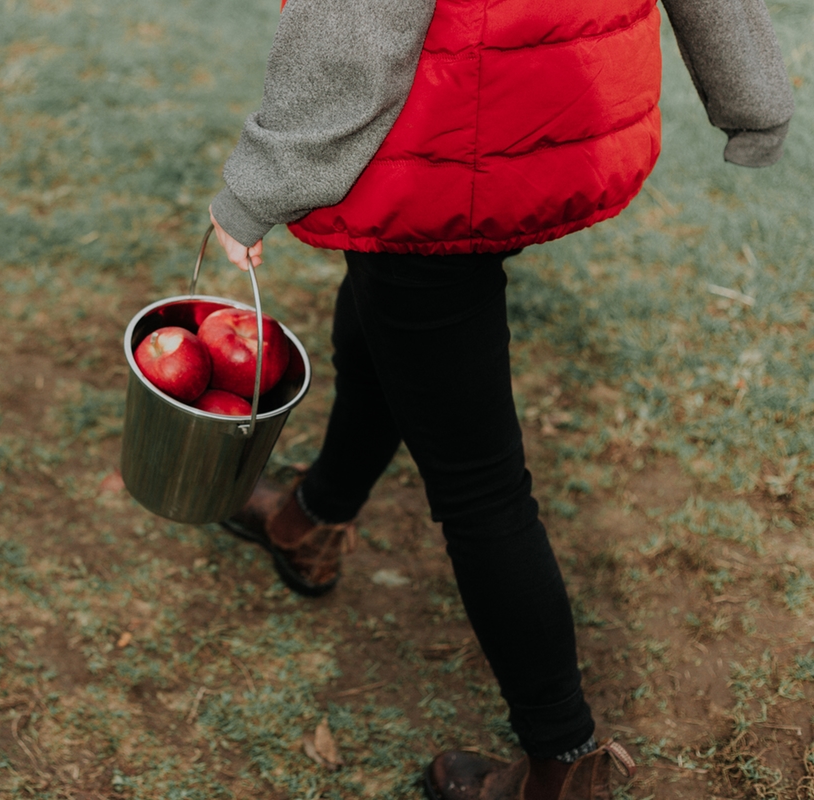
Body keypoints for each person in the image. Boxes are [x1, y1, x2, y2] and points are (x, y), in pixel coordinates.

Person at [206, 0, 794, 797]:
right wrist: (753, 91)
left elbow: (360, 23)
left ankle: (561, 762)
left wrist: (261, 184)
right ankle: (311, 518)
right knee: (386, 307)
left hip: (436, 131)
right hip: (541, 110)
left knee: (479, 485)